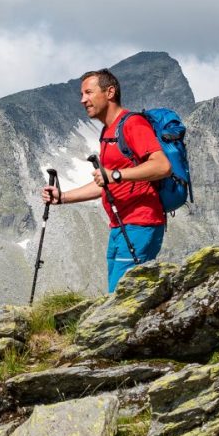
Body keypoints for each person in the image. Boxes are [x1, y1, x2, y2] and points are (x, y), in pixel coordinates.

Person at [41, 69, 173, 292]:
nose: (83, 100)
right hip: (120, 226)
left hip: (140, 224)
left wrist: (117, 175)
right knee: (117, 296)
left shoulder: (132, 124)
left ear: (110, 92)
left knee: (121, 299)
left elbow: (162, 166)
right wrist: (63, 197)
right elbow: (105, 182)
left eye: (88, 93)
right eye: (82, 94)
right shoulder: (108, 132)